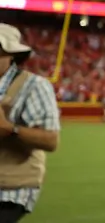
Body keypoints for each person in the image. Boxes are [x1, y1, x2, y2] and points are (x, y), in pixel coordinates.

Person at [0, 23, 60, 223]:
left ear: (11, 54)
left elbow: (51, 140)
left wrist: (10, 129)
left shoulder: (34, 86)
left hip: (10, 189)